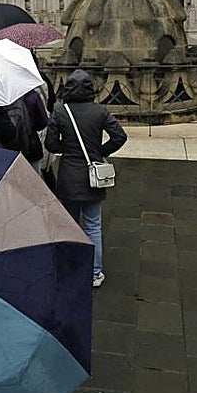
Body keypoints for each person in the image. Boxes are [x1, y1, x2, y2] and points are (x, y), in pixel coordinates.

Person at [44, 69, 127, 288]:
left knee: (69, 225)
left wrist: (67, 147)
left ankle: (69, 269)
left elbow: (50, 145)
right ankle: (94, 273)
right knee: (93, 226)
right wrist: (100, 151)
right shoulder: (100, 111)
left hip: (68, 177)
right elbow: (120, 136)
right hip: (92, 177)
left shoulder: (60, 112)